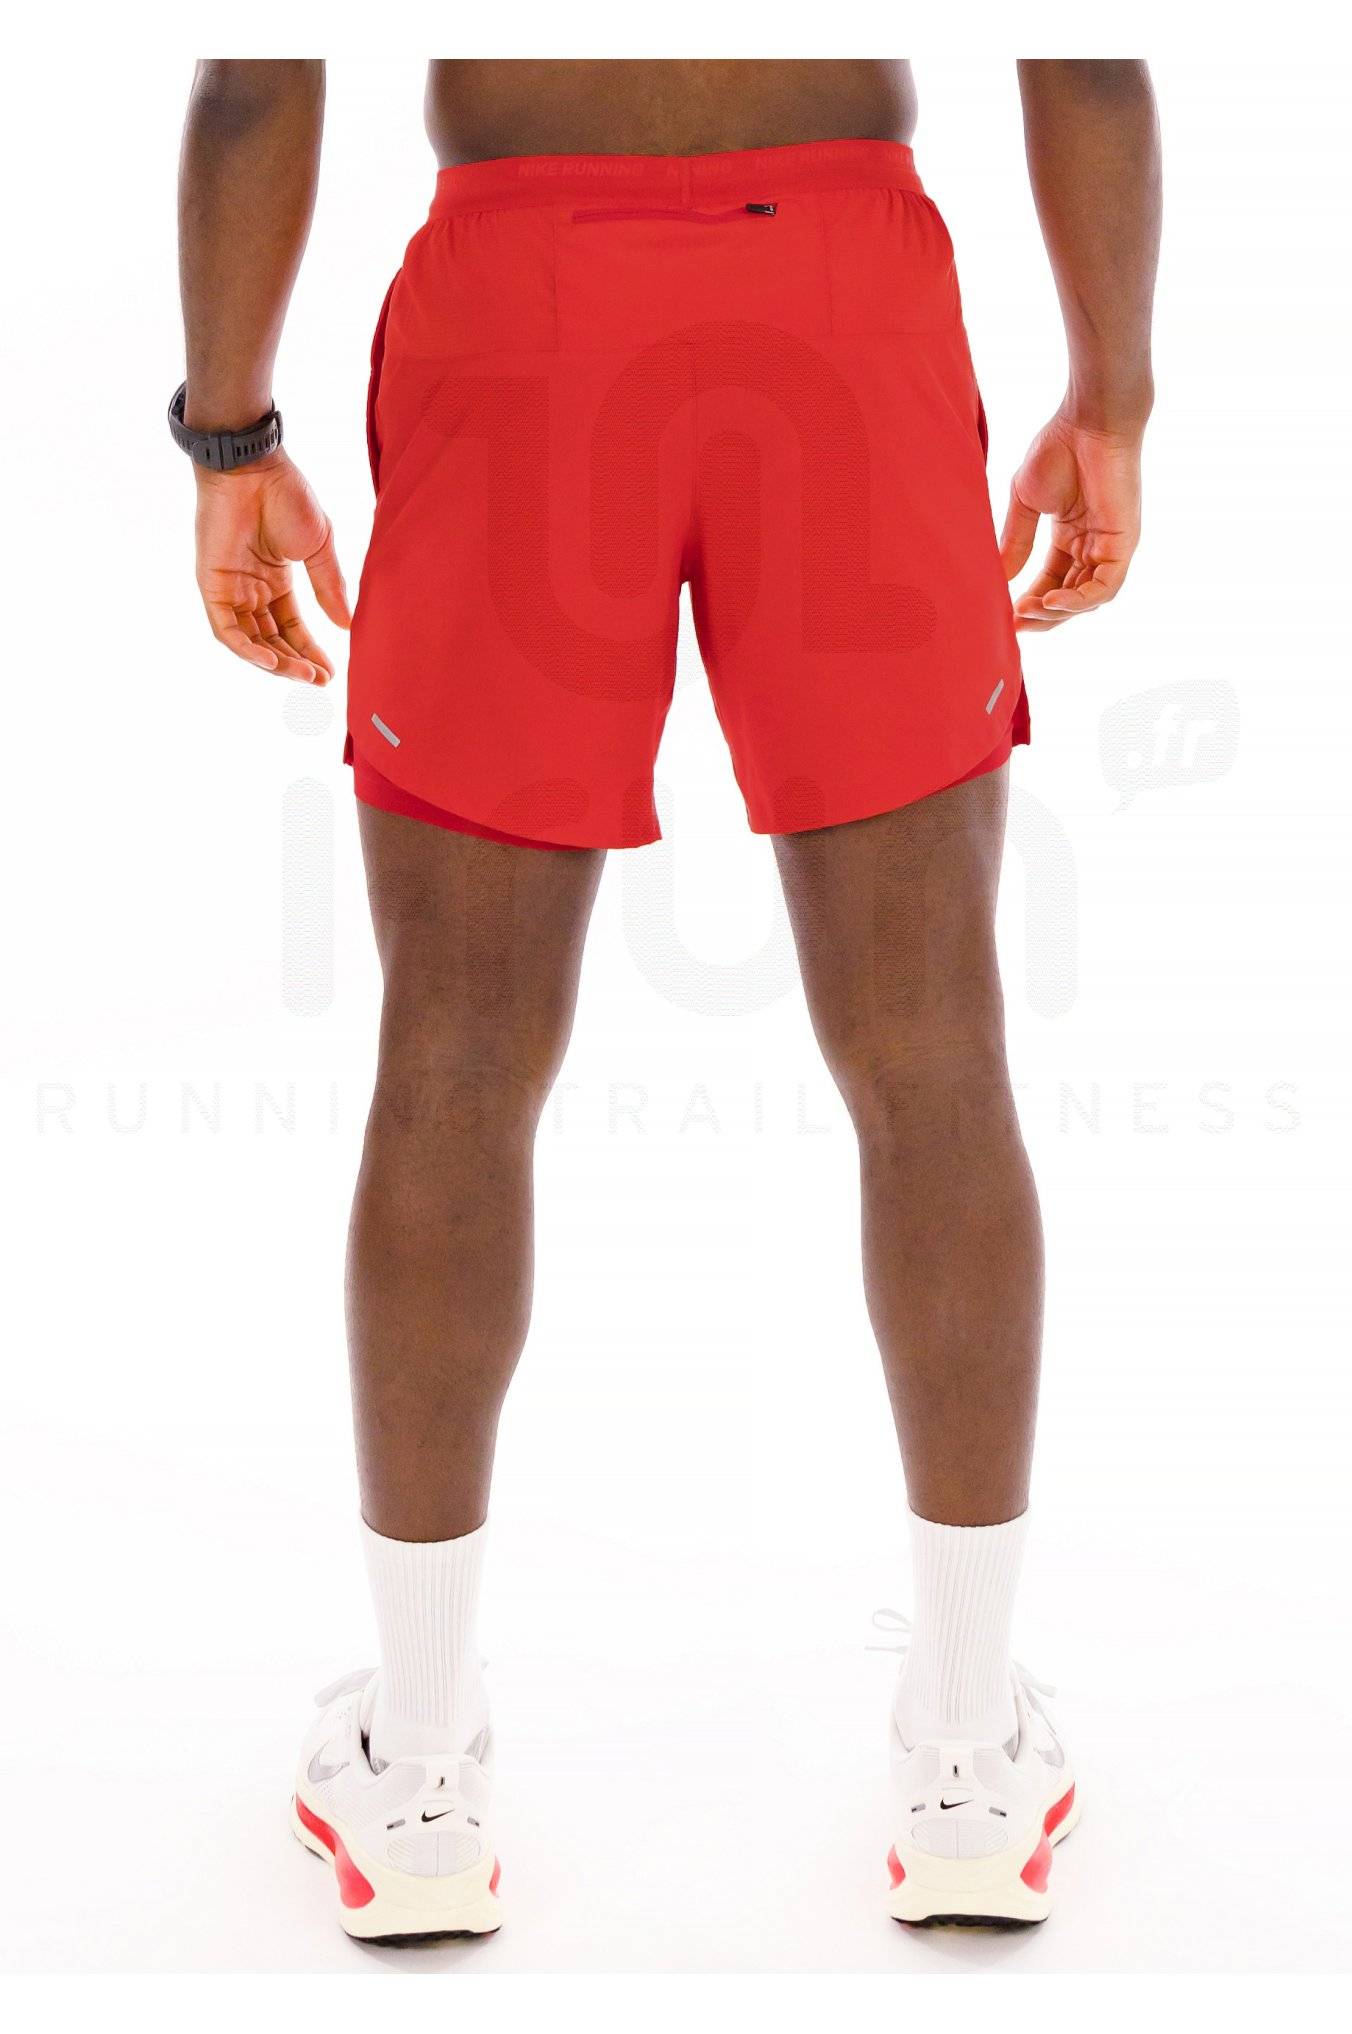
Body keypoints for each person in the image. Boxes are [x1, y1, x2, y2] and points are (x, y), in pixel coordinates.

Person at [175, 57, 1159, 1938]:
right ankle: (968, 1754)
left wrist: (228, 436)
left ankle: (423, 1770)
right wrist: (1111, 393)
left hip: (523, 302)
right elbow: (1094, 55)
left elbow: (253, 79)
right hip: (846, 305)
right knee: (933, 1048)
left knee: (453, 1052)